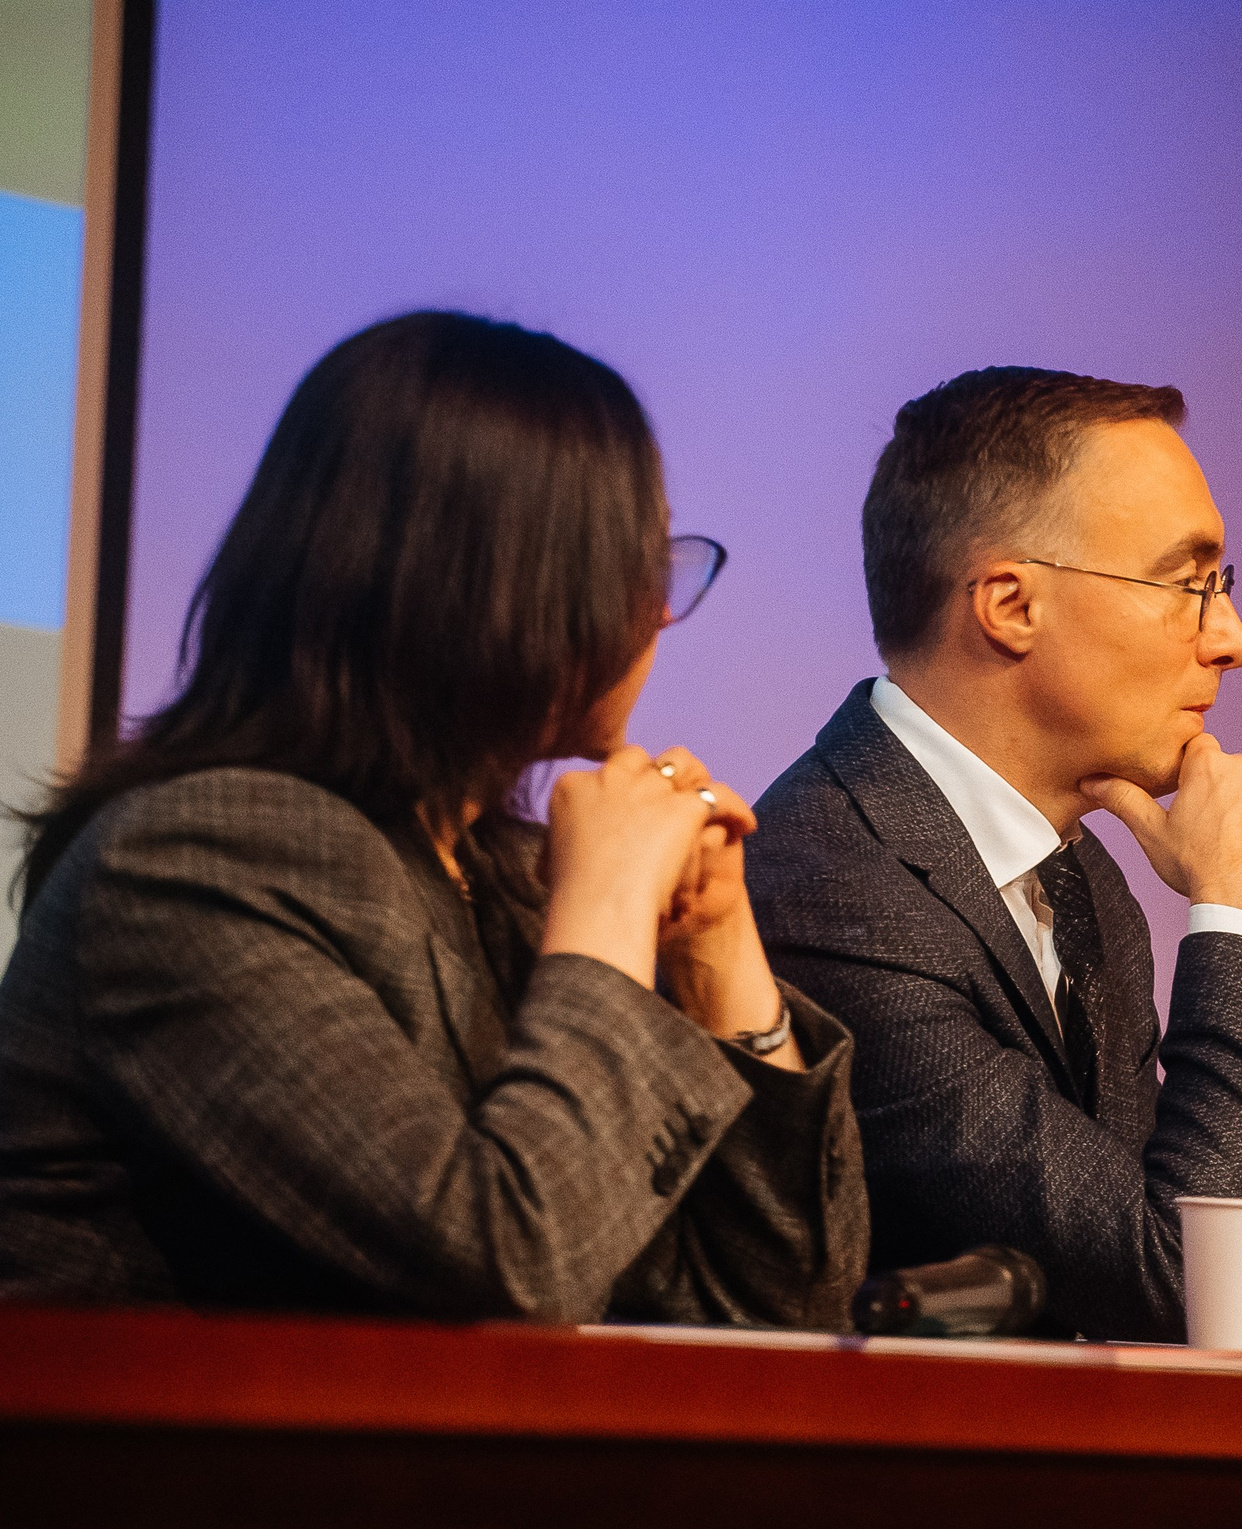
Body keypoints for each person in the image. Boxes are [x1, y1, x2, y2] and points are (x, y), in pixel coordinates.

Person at [0, 311, 866, 1325]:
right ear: (499, 586)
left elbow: (786, 1302)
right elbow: (505, 1265)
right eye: (636, 566)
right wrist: (607, 913)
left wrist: (715, 953)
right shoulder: (193, 862)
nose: (656, 614)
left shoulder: (497, 876)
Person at [746, 366, 1242, 1343]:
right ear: (1009, 604)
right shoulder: (830, 883)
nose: (1232, 639)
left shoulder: (1078, 879)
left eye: (1221, 586)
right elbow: (1184, 1285)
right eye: (1187, 583)